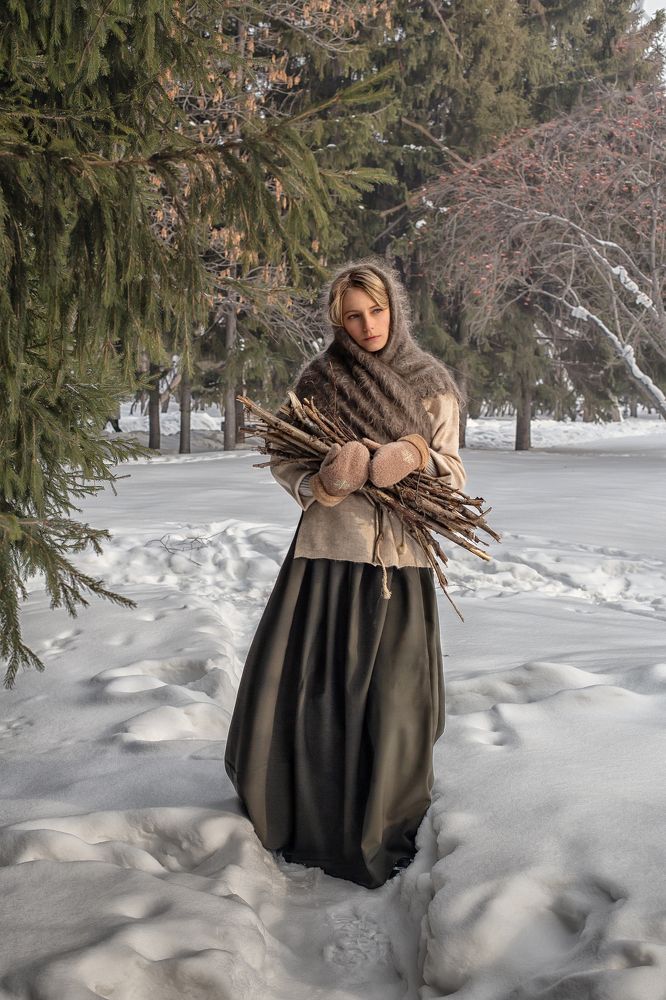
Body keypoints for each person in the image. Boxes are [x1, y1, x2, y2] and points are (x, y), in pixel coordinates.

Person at [224, 256, 467, 889]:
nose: (368, 325)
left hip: (398, 562)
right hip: (327, 556)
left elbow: (454, 472)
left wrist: (416, 455)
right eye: (353, 316)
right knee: (315, 692)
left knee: (393, 699)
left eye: (376, 311)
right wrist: (323, 483)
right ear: (338, 321)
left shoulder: (431, 385)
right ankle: (309, 821)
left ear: (395, 309)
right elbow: (285, 459)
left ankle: (382, 822)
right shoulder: (319, 381)